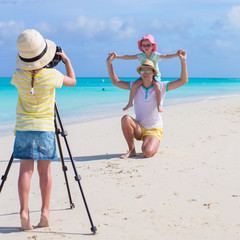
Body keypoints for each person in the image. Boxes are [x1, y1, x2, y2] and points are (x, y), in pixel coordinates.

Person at [11, 29, 76, 230]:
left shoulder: (17, 75)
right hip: (45, 128)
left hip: (23, 128)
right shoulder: (52, 75)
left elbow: (29, 76)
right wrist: (66, 61)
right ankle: (45, 213)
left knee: (25, 170)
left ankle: (24, 211)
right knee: (45, 170)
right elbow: (73, 81)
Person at [106, 50, 188, 159]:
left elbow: (183, 80)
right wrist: (109, 64)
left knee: (147, 153)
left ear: (154, 73)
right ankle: (131, 150)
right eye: (142, 71)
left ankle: (149, 141)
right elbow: (115, 81)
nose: (145, 74)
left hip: (153, 129)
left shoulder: (162, 86)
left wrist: (183, 61)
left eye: (148, 71)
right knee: (125, 119)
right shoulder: (134, 86)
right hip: (139, 127)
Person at [111, 34, 180, 112]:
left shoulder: (155, 55)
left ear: (152, 46)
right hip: (144, 75)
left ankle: (159, 105)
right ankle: (130, 103)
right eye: (143, 45)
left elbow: (166, 56)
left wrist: (176, 55)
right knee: (134, 85)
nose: (146, 47)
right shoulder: (141, 56)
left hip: (155, 75)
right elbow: (128, 57)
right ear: (141, 47)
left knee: (157, 87)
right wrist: (117, 56)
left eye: (148, 45)